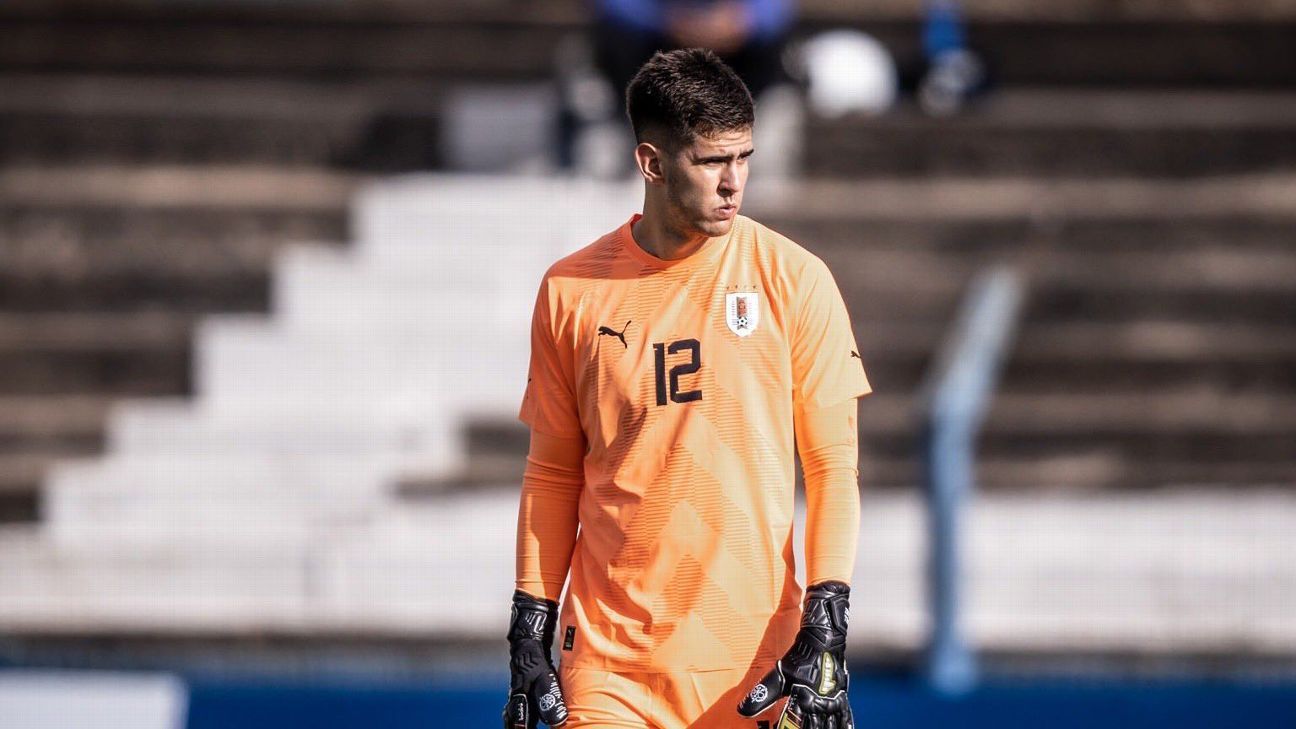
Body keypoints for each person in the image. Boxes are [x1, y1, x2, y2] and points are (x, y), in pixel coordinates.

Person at [506, 48, 870, 729]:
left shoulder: (796, 280)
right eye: (711, 161)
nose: (735, 182)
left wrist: (828, 624)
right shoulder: (571, 291)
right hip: (611, 665)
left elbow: (831, 466)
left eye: (745, 158)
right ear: (651, 163)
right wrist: (529, 630)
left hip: (752, 661)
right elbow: (552, 472)